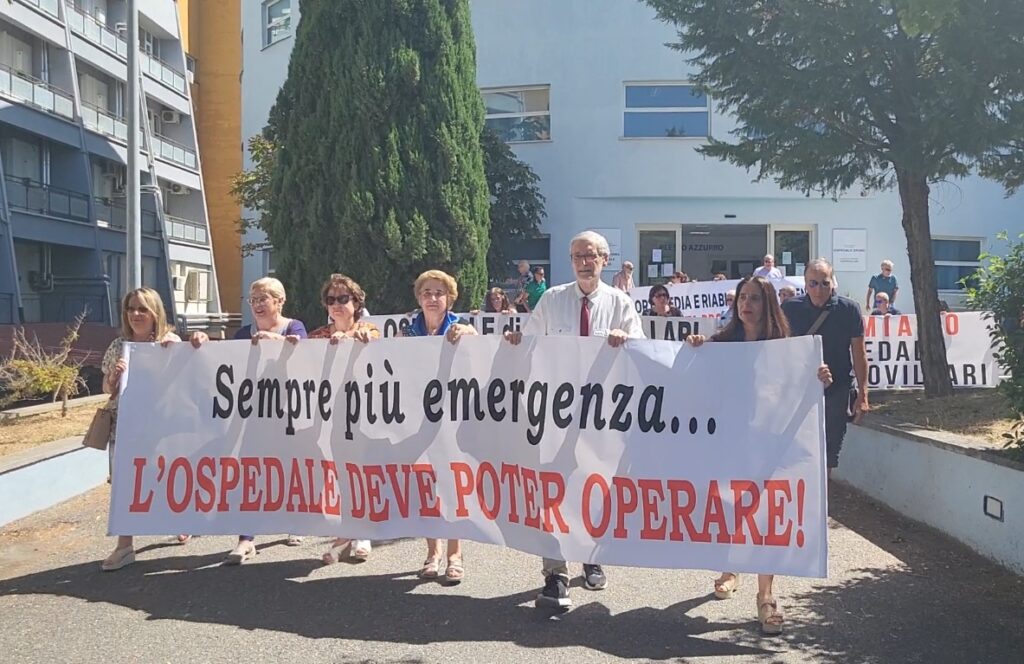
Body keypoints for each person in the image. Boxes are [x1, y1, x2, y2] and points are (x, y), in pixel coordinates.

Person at [505, 230, 645, 609]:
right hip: (555, 414)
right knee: (551, 490)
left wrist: (625, 339)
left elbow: (643, 354)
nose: (585, 262)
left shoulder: (620, 303)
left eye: (592, 255)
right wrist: (512, 343)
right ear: (572, 261)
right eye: (578, 256)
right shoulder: (552, 300)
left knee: (594, 489)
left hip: (601, 418)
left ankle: (592, 556)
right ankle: (555, 573)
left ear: (604, 259)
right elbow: (530, 345)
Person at [686, 276, 833, 634]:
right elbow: (693, 374)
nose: (745, 304)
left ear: (767, 304)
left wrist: (820, 379)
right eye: (741, 298)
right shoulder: (722, 343)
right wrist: (696, 344)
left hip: (771, 442)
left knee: (765, 515)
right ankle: (729, 568)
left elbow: (801, 387)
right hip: (730, 442)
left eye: (753, 298)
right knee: (730, 507)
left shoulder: (786, 348)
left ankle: (765, 596)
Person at [191, 276, 308, 564]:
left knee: (288, 469)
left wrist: (277, 341)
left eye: (263, 299)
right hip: (251, 415)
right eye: (252, 299)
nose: (256, 304)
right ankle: (246, 537)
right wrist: (203, 342)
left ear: (279, 301)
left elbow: (307, 358)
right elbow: (225, 364)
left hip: (287, 413)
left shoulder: (295, 327)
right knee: (250, 473)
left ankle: (295, 522)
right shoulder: (243, 333)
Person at [402, 269, 478, 584]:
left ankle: (454, 555)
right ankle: (432, 553)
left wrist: (471, 338)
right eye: (427, 293)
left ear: (449, 298)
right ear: (419, 298)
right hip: (418, 421)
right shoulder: (408, 331)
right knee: (425, 487)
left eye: (439, 293)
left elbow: (480, 359)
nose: (432, 299)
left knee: (452, 486)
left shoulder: (462, 328)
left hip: (452, 421)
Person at [100, 288, 183, 571]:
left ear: (155, 313)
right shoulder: (118, 346)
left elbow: (188, 378)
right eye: (131, 308)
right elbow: (107, 390)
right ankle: (125, 546)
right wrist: (114, 377)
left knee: (169, 476)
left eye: (143, 309)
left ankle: (183, 521)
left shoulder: (169, 343)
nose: (136, 314)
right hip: (126, 427)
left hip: (163, 427)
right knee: (126, 483)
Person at [309, 274, 380, 565]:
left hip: (363, 416)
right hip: (328, 418)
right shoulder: (316, 337)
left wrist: (350, 337)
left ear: (356, 302)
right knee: (337, 474)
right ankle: (346, 529)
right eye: (331, 300)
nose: (336, 304)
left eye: (343, 299)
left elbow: (379, 344)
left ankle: (362, 532)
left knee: (360, 471)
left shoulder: (369, 330)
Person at [782, 259, 869, 475]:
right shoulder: (790, 308)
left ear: (833, 283)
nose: (819, 290)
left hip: (837, 388)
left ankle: (822, 504)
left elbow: (858, 353)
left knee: (829, 451)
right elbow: (778, 348)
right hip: (799, 389)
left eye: (824, 283)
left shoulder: (849, 309)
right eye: (813, 283)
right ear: (805, 283)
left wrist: (863, 395)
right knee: (796, 447)